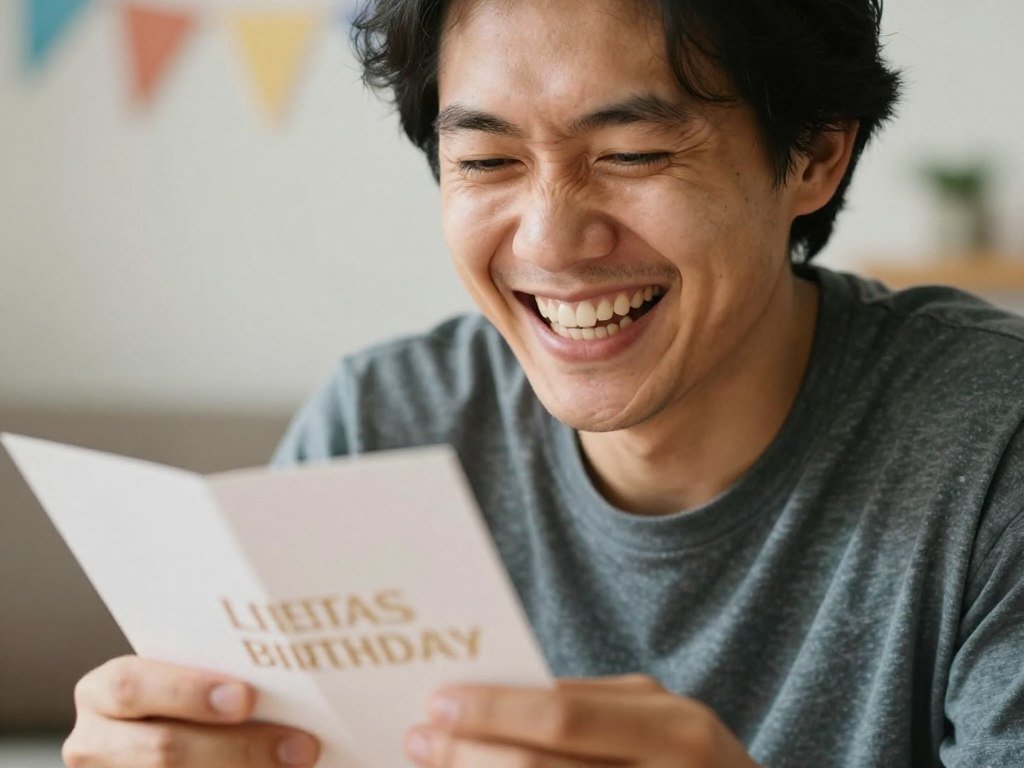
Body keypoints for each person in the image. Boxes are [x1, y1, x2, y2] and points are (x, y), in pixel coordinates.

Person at [61, 0, 1024, 766]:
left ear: (814, 152)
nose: (552, 241)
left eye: (634, 153)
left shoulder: (991, 444)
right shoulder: (380, 427)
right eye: (485, 160)